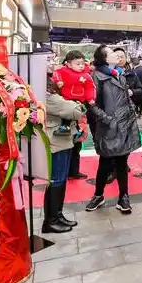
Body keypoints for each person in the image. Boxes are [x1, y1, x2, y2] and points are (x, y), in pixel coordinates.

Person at [86, 45, 141, 214]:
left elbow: (125, 98)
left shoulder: (120, 74)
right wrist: (107, 119)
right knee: (105, 163)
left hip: (125, 124)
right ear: (103, 58)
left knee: (122, 163)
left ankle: (124, 197)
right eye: (111, 53)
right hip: (108, 127)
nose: (117, 55)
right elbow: (90, 103)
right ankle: (98, 195)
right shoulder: (96, 76)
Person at [44, 76, 85, 233]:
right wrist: (77, 105)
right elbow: (75, 111)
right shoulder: (48, 96)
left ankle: (57, 215)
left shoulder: (50, 92)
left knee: (60, 180)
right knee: (56, 180)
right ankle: (51, 220)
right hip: (55, 142)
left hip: (61, 140)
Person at [52, 50, 95, 135]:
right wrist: (58, 81)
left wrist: (91, 98)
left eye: (82, 64)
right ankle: (68, 128)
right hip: (67, 98)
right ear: (69, 64)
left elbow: (90, 88)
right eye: (78, 64)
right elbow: (56, 73)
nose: (81, 66)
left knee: (76, 113)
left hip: (80, 101)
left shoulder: (86, 75)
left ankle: (75, 129)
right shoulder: (64, 71)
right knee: (68, 113)